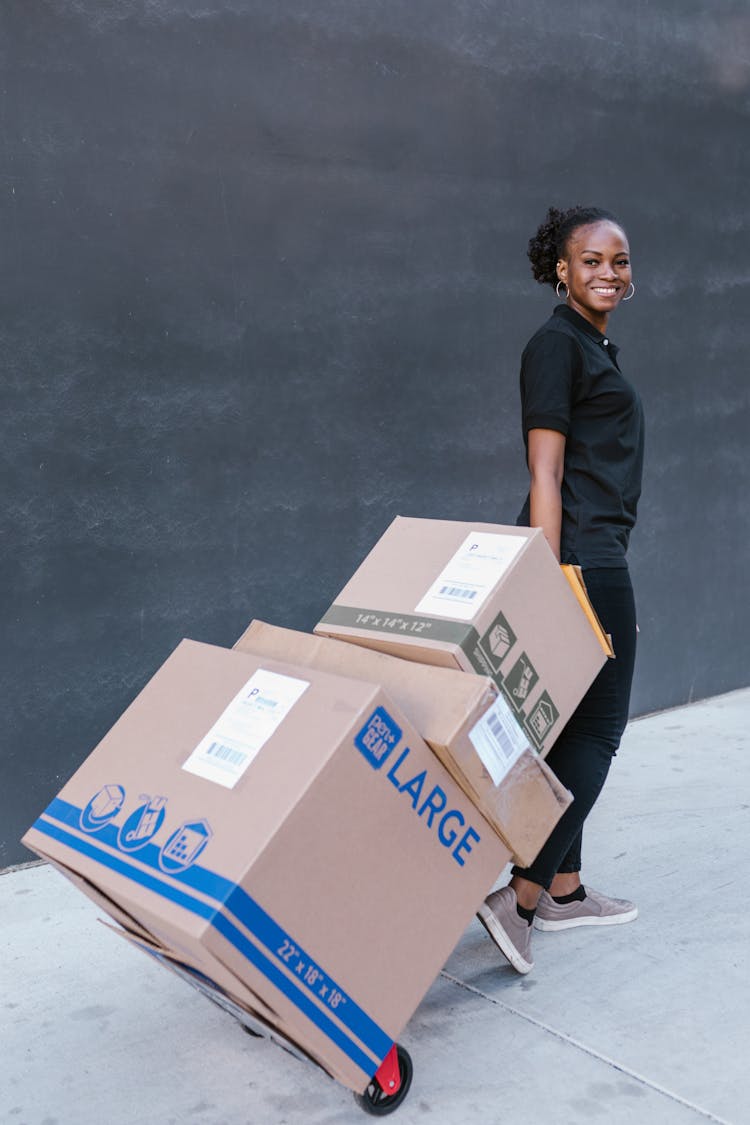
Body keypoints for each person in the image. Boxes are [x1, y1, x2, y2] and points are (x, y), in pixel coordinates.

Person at [477, 205, 645, 974]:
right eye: (592, 260)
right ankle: (519, 897)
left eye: (619, 260)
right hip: (580, 558)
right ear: (562, 270)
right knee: (599, 732)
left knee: (570, 730)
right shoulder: (555, 346)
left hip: (587, 548)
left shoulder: (590, 346)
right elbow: (543, 470)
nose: (609, 272)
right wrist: (549, 577)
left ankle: (565, 892)